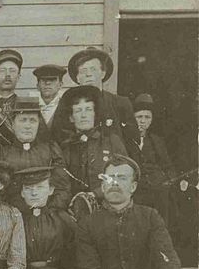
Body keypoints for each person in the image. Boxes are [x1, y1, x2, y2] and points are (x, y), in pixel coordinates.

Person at [58, 85, 128, 215]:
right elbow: (62, 184)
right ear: (71, 118)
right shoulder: (66, 148)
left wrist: (95, 194)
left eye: (88, 109)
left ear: (95, 114)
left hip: (110, 209)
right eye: (78, 111)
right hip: (76, 212)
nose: (84, 115)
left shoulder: (112, 142)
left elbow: (124, 176)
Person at [0, 96, 71, 210]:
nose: (28, 126)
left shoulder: (51, 149)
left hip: (47, 215)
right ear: (13, 124)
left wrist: (50, 212)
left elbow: (63, 188)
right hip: (14, 215)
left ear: (39, 124)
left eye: (32, 120)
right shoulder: (2, 153)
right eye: (22, 120)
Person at [51, 47, 136, 141]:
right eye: (83, 71)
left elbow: (132, 143)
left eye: (93, 69)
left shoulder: (120, 103)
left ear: (103, 74)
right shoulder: (67, 103)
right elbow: (58, 137)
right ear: (78, 78)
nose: (88, 74)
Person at [122, 93, 178, 225]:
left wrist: (166, 182)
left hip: (158, 192)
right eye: (139, 117)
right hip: (136, 191)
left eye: (147, 117)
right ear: (133, 118)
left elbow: (168, 166)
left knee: (159, 223)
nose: (143, 121)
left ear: (152, 119)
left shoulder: (156, 141)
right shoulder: (125, 140)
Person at [34, 64, 67, 131]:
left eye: (52, 79)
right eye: (43, 80)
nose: (47, 83)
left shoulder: (67, 106)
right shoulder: (30, 107)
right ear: (37, 86)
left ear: (60, 85)